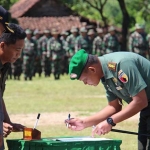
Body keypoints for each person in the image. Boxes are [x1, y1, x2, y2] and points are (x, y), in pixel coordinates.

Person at [66, 49, 150, 150]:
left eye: (85, 79)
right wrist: (84, 122)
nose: (85, 83)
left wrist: (110, 121)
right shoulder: (104, 73)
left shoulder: (121, 64)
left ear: (92, 69)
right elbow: (114, 106)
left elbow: (140, 101)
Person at [0, 5, 25, 145]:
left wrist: (6, 121)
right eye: (17, 50)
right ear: (3, 46)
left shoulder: (5, 64)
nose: (19, 55)